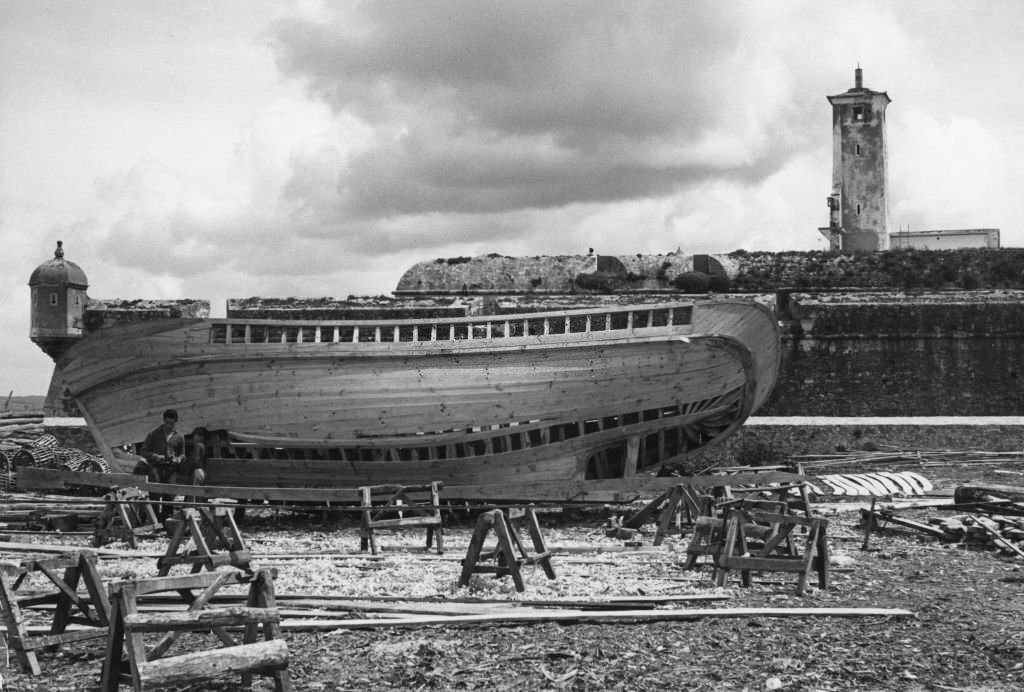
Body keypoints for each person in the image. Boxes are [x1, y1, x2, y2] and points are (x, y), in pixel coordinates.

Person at [140, 409, 184, 519]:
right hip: (155, 467)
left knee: (169, 495)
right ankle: (154, 520)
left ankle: (167, 521)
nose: (169, 425)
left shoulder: (179, 437)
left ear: (176, 422)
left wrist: (178, 459)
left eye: (172, 423)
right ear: (164, 420)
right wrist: (156, 456)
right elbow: (144, 451)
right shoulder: (153, 434)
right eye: (167, 423)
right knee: (154, 493)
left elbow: (183, 455)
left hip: (171, 469)